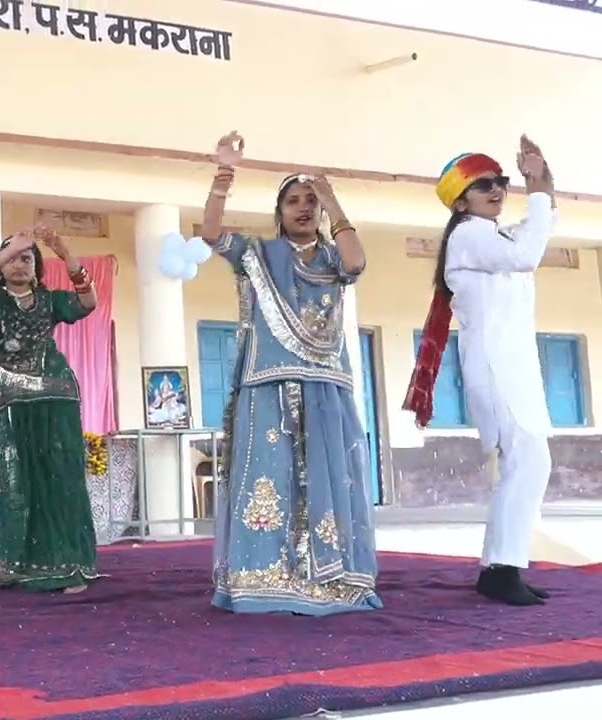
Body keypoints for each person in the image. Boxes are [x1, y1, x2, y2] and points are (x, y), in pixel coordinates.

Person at [200, 132, 381, 616]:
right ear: (278, 213)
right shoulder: (260, 256)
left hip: (325, 385)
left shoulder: (330, 259)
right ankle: (262, 578)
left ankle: (331, 579)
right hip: (269, 383)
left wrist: (333, 198)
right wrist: (224, 173)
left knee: (329, 479)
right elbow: (212, 233)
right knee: (270, 480)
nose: (303, 208)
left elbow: (356, 261)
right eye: (292, 201)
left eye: (310, 202)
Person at [404, 138, 556, 606]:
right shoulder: (470, 234)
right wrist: (537, 192)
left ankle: (502, 566)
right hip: (497, 363)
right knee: (527, 460)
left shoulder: (495, 235)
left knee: (527, 461)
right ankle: (502, 569)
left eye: (500, 182)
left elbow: (540, 224)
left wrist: (541, 179)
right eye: (483, 184)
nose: (497, 190)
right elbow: (530, 251)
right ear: (460, 200)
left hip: (512, 363)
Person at [0, 228, 100, 593]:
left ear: (37, 267)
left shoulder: (50, 300)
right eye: (13, 258)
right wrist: (3, 254)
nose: (19, 264)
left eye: (27, 258)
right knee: (11, 482)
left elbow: (88, 303)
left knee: (57, 481)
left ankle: (65, 563)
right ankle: (11, 563)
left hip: (55, 400)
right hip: (9, 404)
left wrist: (68, 255)